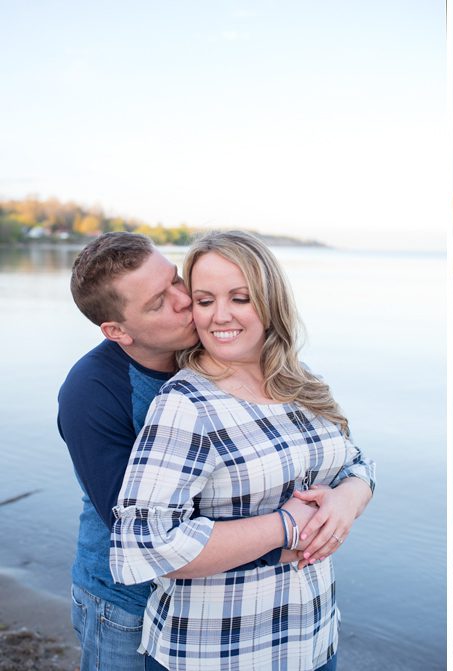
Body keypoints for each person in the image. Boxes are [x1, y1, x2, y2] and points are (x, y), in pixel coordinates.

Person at [110, 231, 374, 671]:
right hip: (216, 654)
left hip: (312, 640)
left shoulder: (298, 381)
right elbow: (142, 546)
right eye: (205, 300)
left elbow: (355, 462)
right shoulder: (186, 405)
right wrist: (285, 527)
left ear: (270, 300)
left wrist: (349, 499)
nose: (220, 316)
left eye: (240, 297)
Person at [58, 232, 310, 671]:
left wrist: (347, 491)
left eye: (176, 280)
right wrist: (283, 538)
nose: (183, 300)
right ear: (117, 331)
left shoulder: (210, 351)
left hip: (210, 597)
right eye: (158, 302)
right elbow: (133, 527)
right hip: (125, 604)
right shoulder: (92, 392)